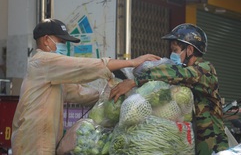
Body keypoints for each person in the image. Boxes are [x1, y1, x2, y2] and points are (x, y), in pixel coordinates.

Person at [11, 18, 160, 155]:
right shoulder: (43, 61)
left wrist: (110, 95)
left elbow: (76, 92)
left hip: (42, 138)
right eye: (61, 41)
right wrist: (132, 62)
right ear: (46, 40)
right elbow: (86, 66)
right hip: (32, 139)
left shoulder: (53, 72)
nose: (63, 46)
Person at [110, 23, 228, 155]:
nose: (172, 54)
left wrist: (135, 81)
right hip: (192, 141)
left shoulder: (205, 70)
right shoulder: (184, 72)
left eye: (176, 50)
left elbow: (174, 73)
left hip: (211, 143)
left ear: (189, 50)